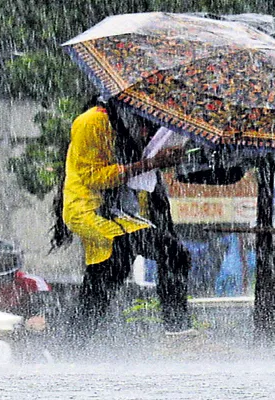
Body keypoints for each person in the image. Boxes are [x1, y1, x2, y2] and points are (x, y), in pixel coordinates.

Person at [54, 97, 195, 340]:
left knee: (102, 286)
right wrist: (151, 163)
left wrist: (167, 158)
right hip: (93, 212)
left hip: (126, 213)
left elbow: (140, 172)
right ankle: (178, 332)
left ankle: (71, 348)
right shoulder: (92, 121)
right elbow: (93, 177)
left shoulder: (138, 123)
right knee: (174, 253)